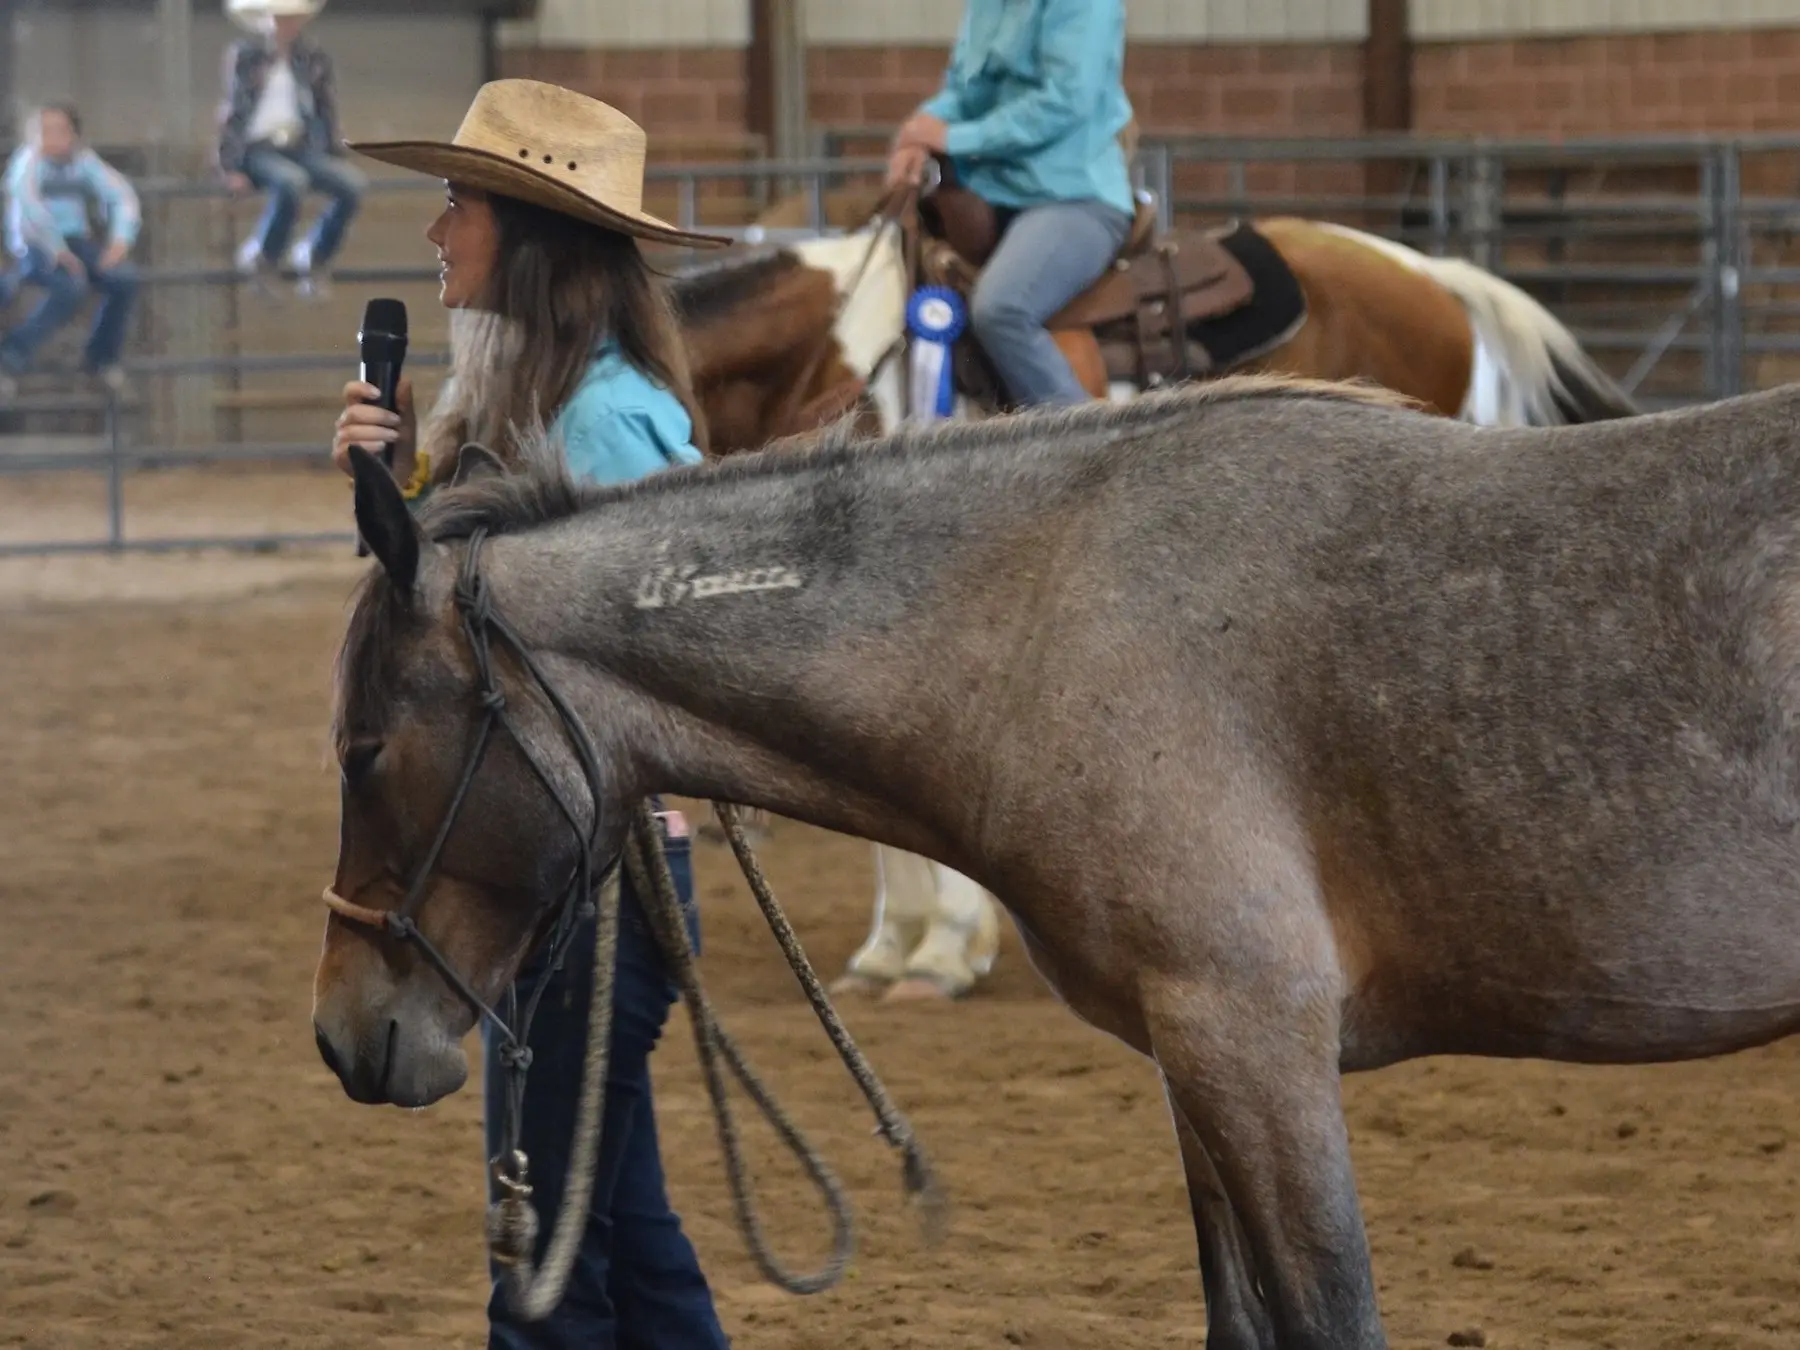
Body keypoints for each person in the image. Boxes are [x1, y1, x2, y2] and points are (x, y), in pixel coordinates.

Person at [327, 78, 734, 1350]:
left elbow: (692, 639)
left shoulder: (610, 419)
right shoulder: (508, 408)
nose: (436, 233)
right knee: (616, 1225)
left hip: (600, 885)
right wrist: (397, 492)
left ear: (526, 232)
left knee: (545, 1261)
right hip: (556, 876)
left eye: (457, 205)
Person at [885, 0, 1135, 408]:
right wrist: (918, 131)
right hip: (990, 195)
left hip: (1072, 197)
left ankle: (1087, 443)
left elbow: (1064, 101)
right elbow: (964, 92)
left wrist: (954, 140)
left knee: (1002, 308)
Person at [217, 0, 364, 300]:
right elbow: (233, 110)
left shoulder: (313, 58)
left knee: (352, 184)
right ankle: (264, 255)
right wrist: (229, 165)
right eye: (278, 17)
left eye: (290, 18)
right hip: (257, 147)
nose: (284, 24)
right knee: (290, 182)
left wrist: (334, 151)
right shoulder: (246, 56)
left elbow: (326, 107)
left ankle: (315, 253)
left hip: (299, 145)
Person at [0, 102, 140, 397]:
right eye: (44, 131)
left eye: (59, 130)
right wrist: (57, 249)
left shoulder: (84, 161)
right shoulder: (27, 162)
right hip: (33, 243)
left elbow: (121, 194)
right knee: (70, 288)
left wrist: (120, 240)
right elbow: (30, 206)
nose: (51, 138)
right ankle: (10, 357)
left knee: (124, 279)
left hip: (76, 241)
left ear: (73, 135)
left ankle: (101, 359)